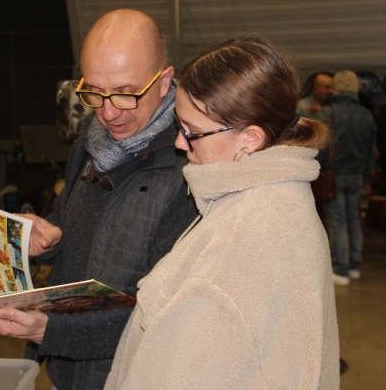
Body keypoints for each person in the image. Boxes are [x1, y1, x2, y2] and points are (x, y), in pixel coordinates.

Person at [105, 37, 340, 389]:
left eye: (193, 132)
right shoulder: (282, 198)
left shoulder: (242, 238)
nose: (180, 143)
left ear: (251, 139)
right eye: (179, 126)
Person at [0, 9, 198, 390]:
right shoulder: (91, 139)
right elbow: (81, 223)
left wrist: (51, 331)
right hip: (65, 371)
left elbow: (163, 318)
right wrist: (49, 235)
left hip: (128, 377)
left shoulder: (189, 170)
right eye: (94, 92)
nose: (108, 112)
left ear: (165, 82)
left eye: (126, 93)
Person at [318, 70, 376, 285]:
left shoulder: (327, 112)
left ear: (335, 87)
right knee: (354, 219)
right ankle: (354, 266)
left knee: (338, 221)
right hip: (358, 175)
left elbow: (321, 148)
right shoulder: (366, 115)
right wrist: (366, 176)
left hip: (334, 175)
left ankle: (340, 269)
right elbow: (372, 151)